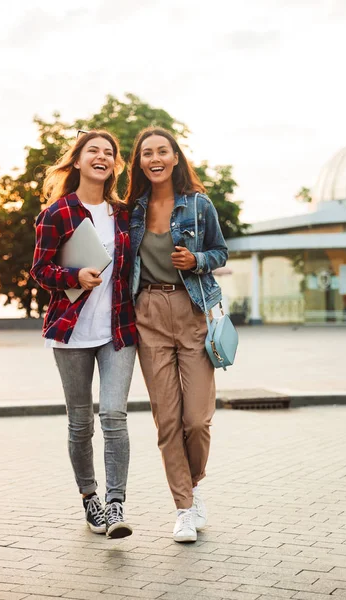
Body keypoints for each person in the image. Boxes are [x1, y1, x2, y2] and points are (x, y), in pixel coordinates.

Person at [30, 130, 137, 539]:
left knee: (113, 415)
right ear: (77, 161)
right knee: (80, 423)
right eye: (93, 150)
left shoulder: (124, 214)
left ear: (114, 164)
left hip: (118, 329)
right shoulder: (57, 213)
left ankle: (115, 505)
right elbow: (40, 271)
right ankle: (89, 497)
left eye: (109, 152)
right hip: (70, 332)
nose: (102, 156)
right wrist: (76, 275)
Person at [126, 127, 228, 543]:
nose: (154, 157)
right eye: (146, 152)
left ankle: (195, 483)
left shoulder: (199, 205)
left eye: (161, 151)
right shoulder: (131, 210)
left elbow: (220, 252)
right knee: (167, 420)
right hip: (147, 312)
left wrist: (197, 259)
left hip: (191, 310)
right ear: (140, 162)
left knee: (197, 420)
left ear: (174, 157)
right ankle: (184, 508)